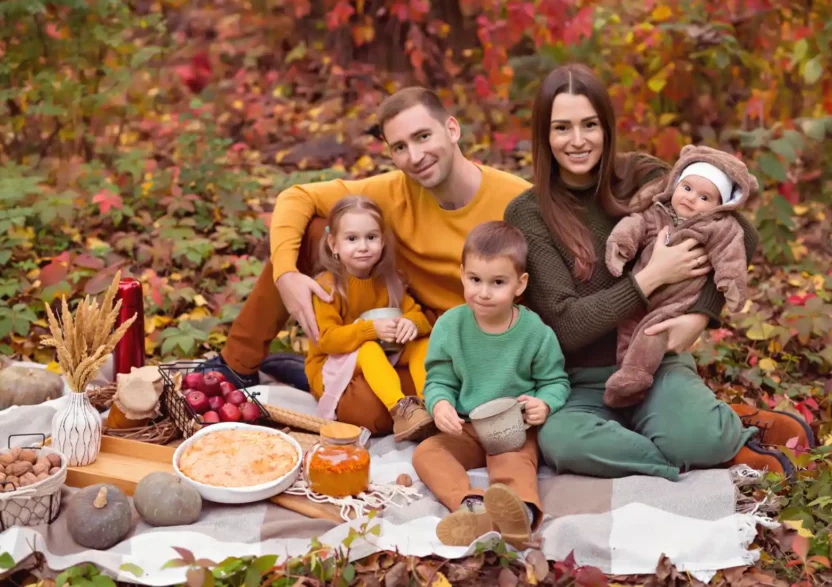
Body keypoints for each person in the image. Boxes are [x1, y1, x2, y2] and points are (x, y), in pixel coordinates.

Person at [504, 63, 815, 480]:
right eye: (562, 128)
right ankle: (697, 443)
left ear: (607, 127)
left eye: (590, 125)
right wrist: (651, 278)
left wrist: (700, 314)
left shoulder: (641, 176)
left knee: (689, 431)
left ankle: (701, 429)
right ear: (544, 135)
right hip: (577, 381)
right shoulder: (529, 213)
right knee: (561, 443)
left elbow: (741, 232)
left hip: (655, 361)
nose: (577, 141)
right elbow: (566, 326)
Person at [205, 87, 531, 435]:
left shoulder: (516, 200)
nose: (416, 156)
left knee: (371, 414)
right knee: (316, 229)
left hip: (471, 338)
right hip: (400, 329)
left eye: (423, 137)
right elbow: (297, 196)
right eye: (400, 147)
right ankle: (238, 364)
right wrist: (286, 274)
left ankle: (306, 372)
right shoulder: (395, 190)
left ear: (452, 129)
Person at [413, 221, 569, 549]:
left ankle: (519, 512)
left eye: (497, 282)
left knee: (516, 464)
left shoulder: (534, 332)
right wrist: (439, 404)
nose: (484, 292)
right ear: (462, 274)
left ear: (519, 284)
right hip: (467, 426)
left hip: (513, 428)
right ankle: (472, 506)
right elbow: (438, 380)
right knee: (428, 453)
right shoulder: (450, 326)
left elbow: (555, 381)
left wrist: (545, 403)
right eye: (475, 280)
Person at [602, 144, 759, 408]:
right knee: (627, 330)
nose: (690, 198)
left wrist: (729, 285)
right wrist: (621, 246)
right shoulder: (658, 212)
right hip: (639, 295)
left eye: (704, 197)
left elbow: (731, 254)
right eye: (686, 188)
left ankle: (633, 380)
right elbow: (634, 224)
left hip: (676, 305)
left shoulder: (717, 227)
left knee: (650, 335)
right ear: (675, 184)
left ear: (720, 206)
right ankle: (624, 378)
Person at [305, 195, 435, 442]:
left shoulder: (389, 280)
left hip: (383, 352)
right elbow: (327, 340)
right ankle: (400, 410)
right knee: (368, 349)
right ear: (333, 244)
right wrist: (370, 330)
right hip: (332, 364)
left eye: (371, 237)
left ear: (382, 241)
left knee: (422, 343)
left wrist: (411, 323)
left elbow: (418, 315)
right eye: (352, 239)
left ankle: (428, 405)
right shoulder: (328, 287)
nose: (363, 246)